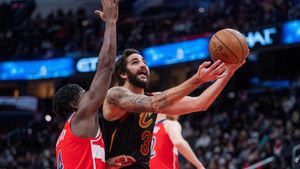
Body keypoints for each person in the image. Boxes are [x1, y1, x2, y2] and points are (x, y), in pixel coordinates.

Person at [100, 48, 247, 168]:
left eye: (144, 62)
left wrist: (228, 73)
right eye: (135, 62)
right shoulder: (115, 95)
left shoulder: (152, 97)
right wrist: (197, 80)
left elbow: (200, 103)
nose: (143, 65)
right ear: (123, 74)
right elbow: (154, 104)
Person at [52, 0, 135, 168]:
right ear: (75, 104)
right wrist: (111, 22)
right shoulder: (82, 116)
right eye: (84, 92)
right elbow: (106, 66)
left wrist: (105, 164)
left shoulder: (65, 138)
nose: (90, 93)